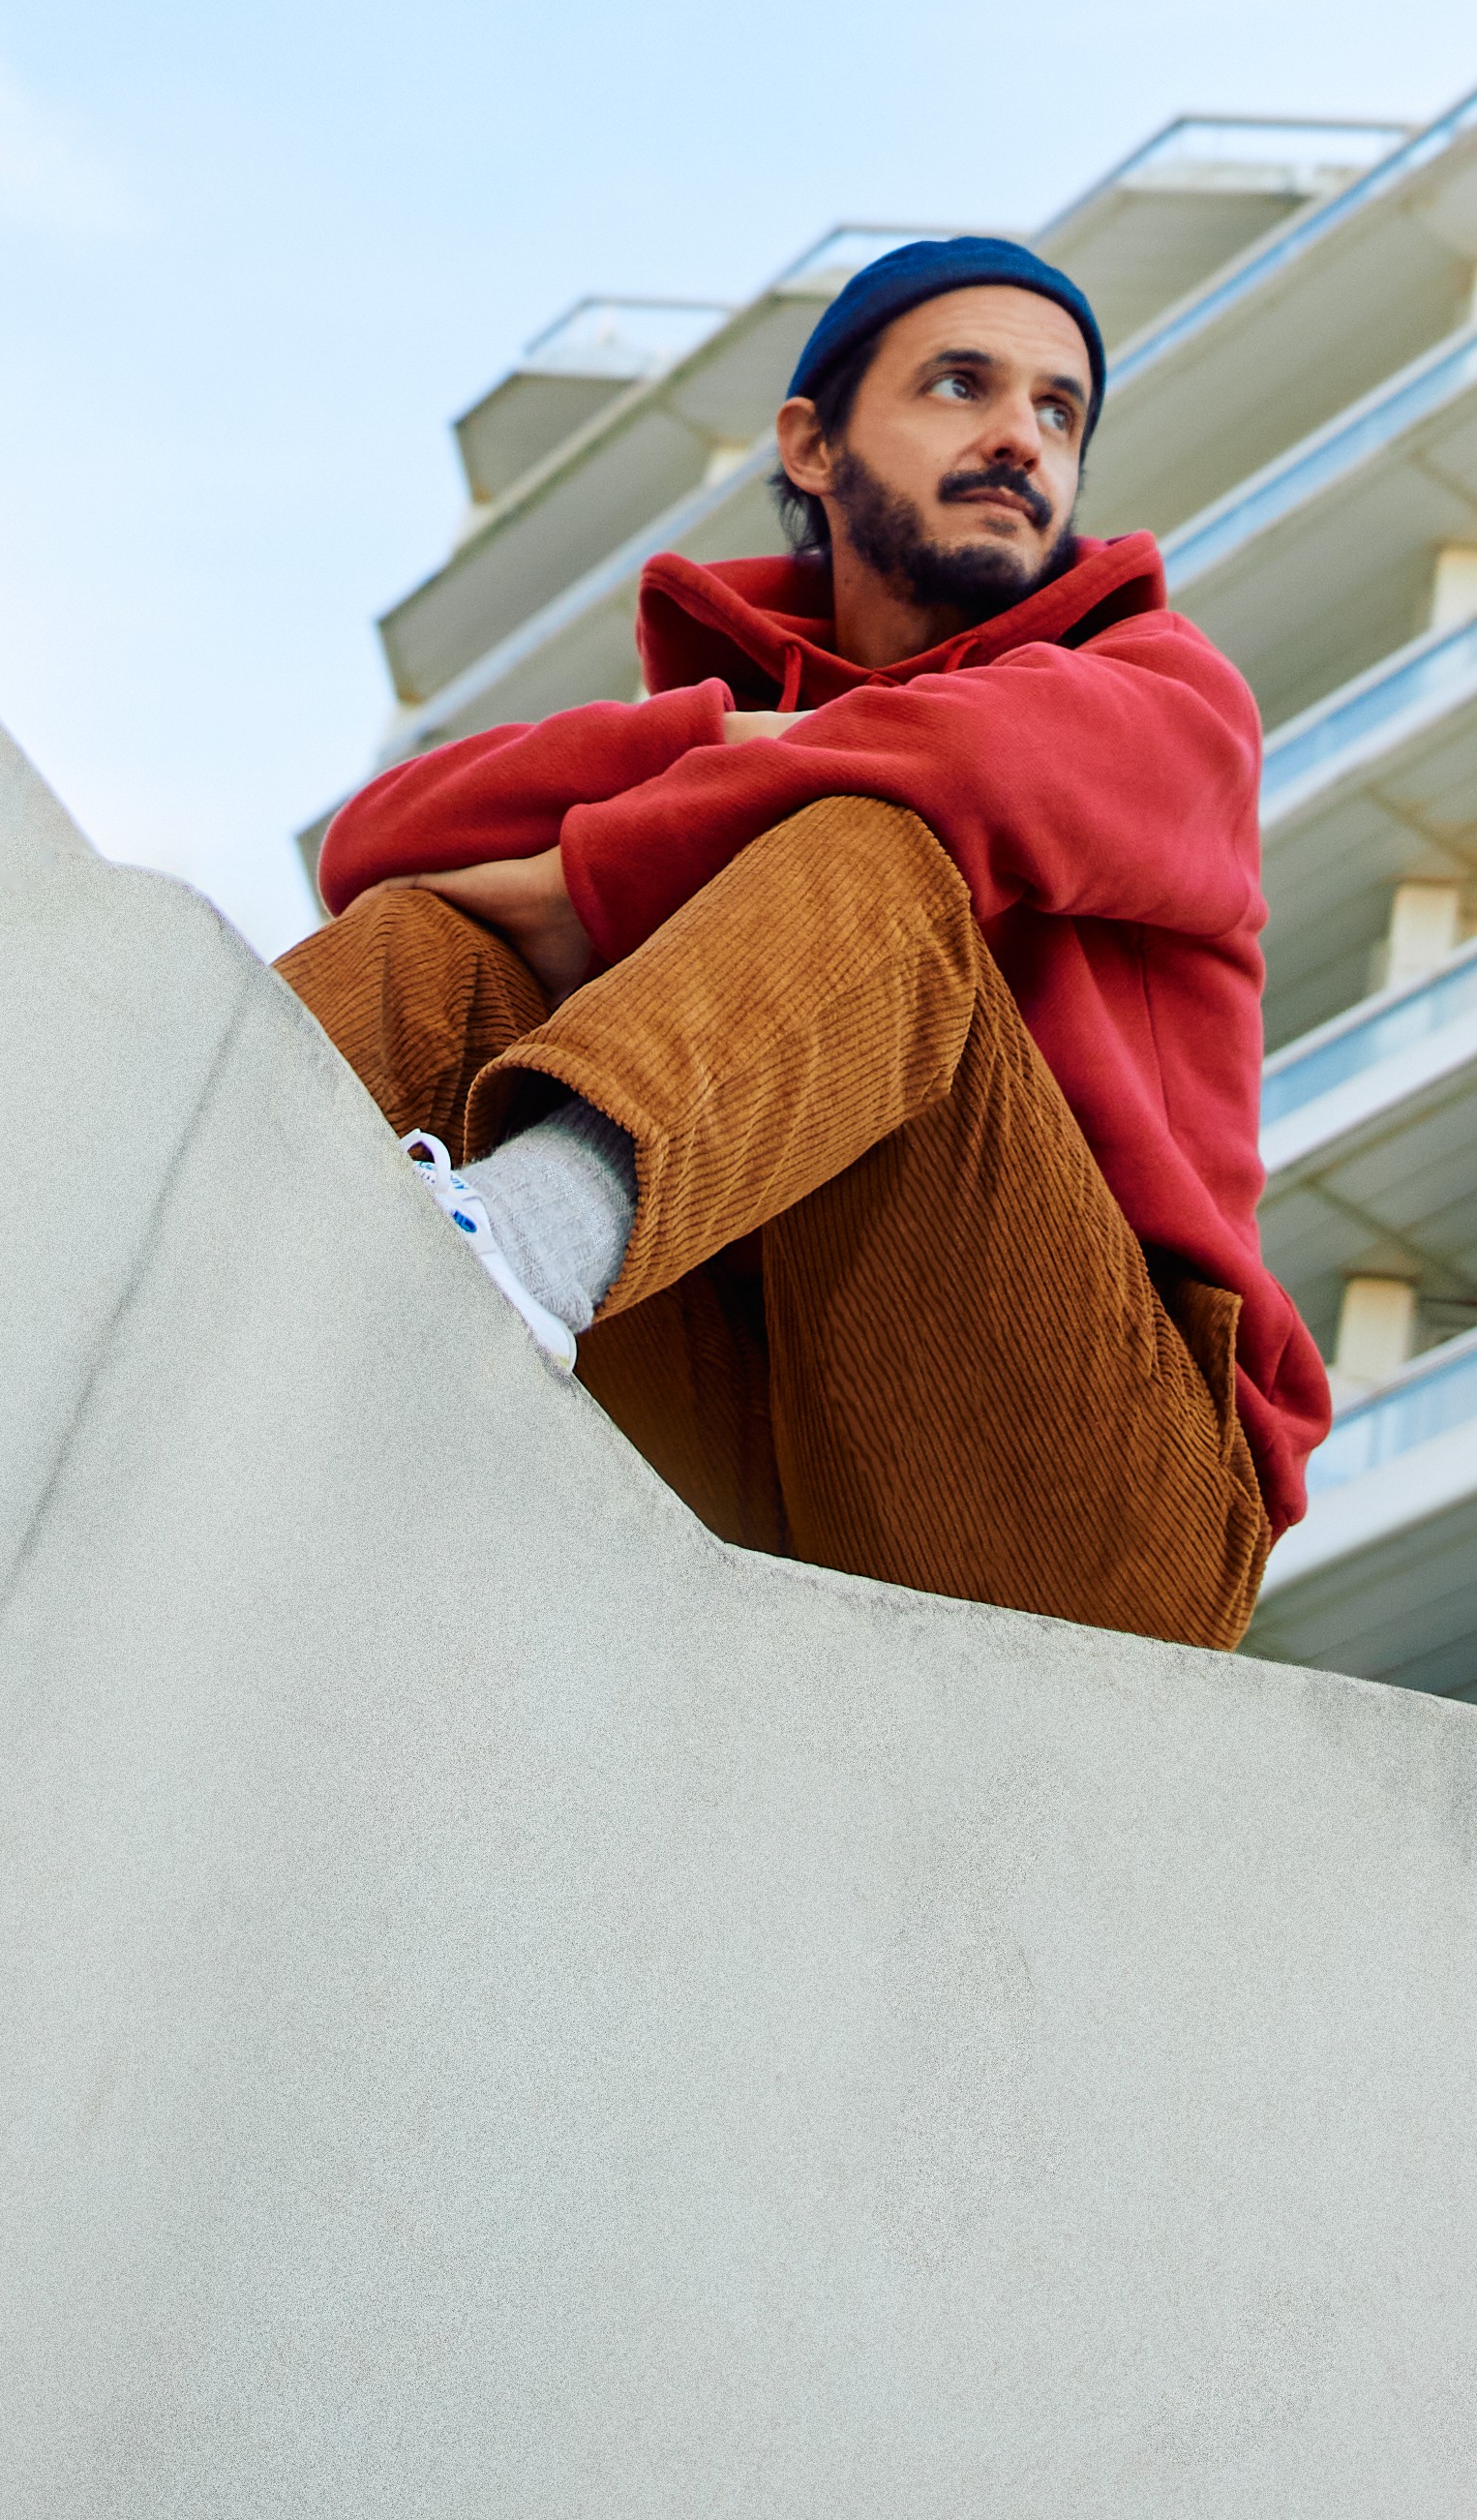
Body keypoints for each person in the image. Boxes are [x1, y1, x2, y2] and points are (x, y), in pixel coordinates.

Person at [286, 231, 1328, 1646]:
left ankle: (503, 1249)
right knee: (431, 951)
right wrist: (720, 740)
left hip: (1100, 1502)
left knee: (874, 844)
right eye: (962, 385)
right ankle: (158, 1236)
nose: (1021, 436)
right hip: (756, 1423)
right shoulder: (724, 724)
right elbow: (379, 843)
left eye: (1060, 410)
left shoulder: (1165, 689)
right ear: (814, 444)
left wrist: (591, 877)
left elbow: (978, 772)